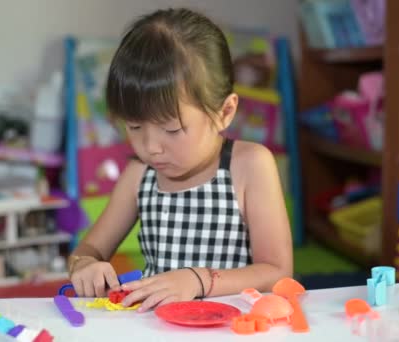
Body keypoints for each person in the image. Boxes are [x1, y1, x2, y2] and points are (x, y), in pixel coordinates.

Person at [68, 8, 292, 313]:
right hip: (155, 327)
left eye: (172, 129)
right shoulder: (138, 175)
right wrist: (86, 266)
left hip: (231, 328)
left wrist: (196, 280)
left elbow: (277, 271)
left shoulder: (250, 166)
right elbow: (88, 249)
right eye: (134, 126)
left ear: (224, 112)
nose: (151, 148)